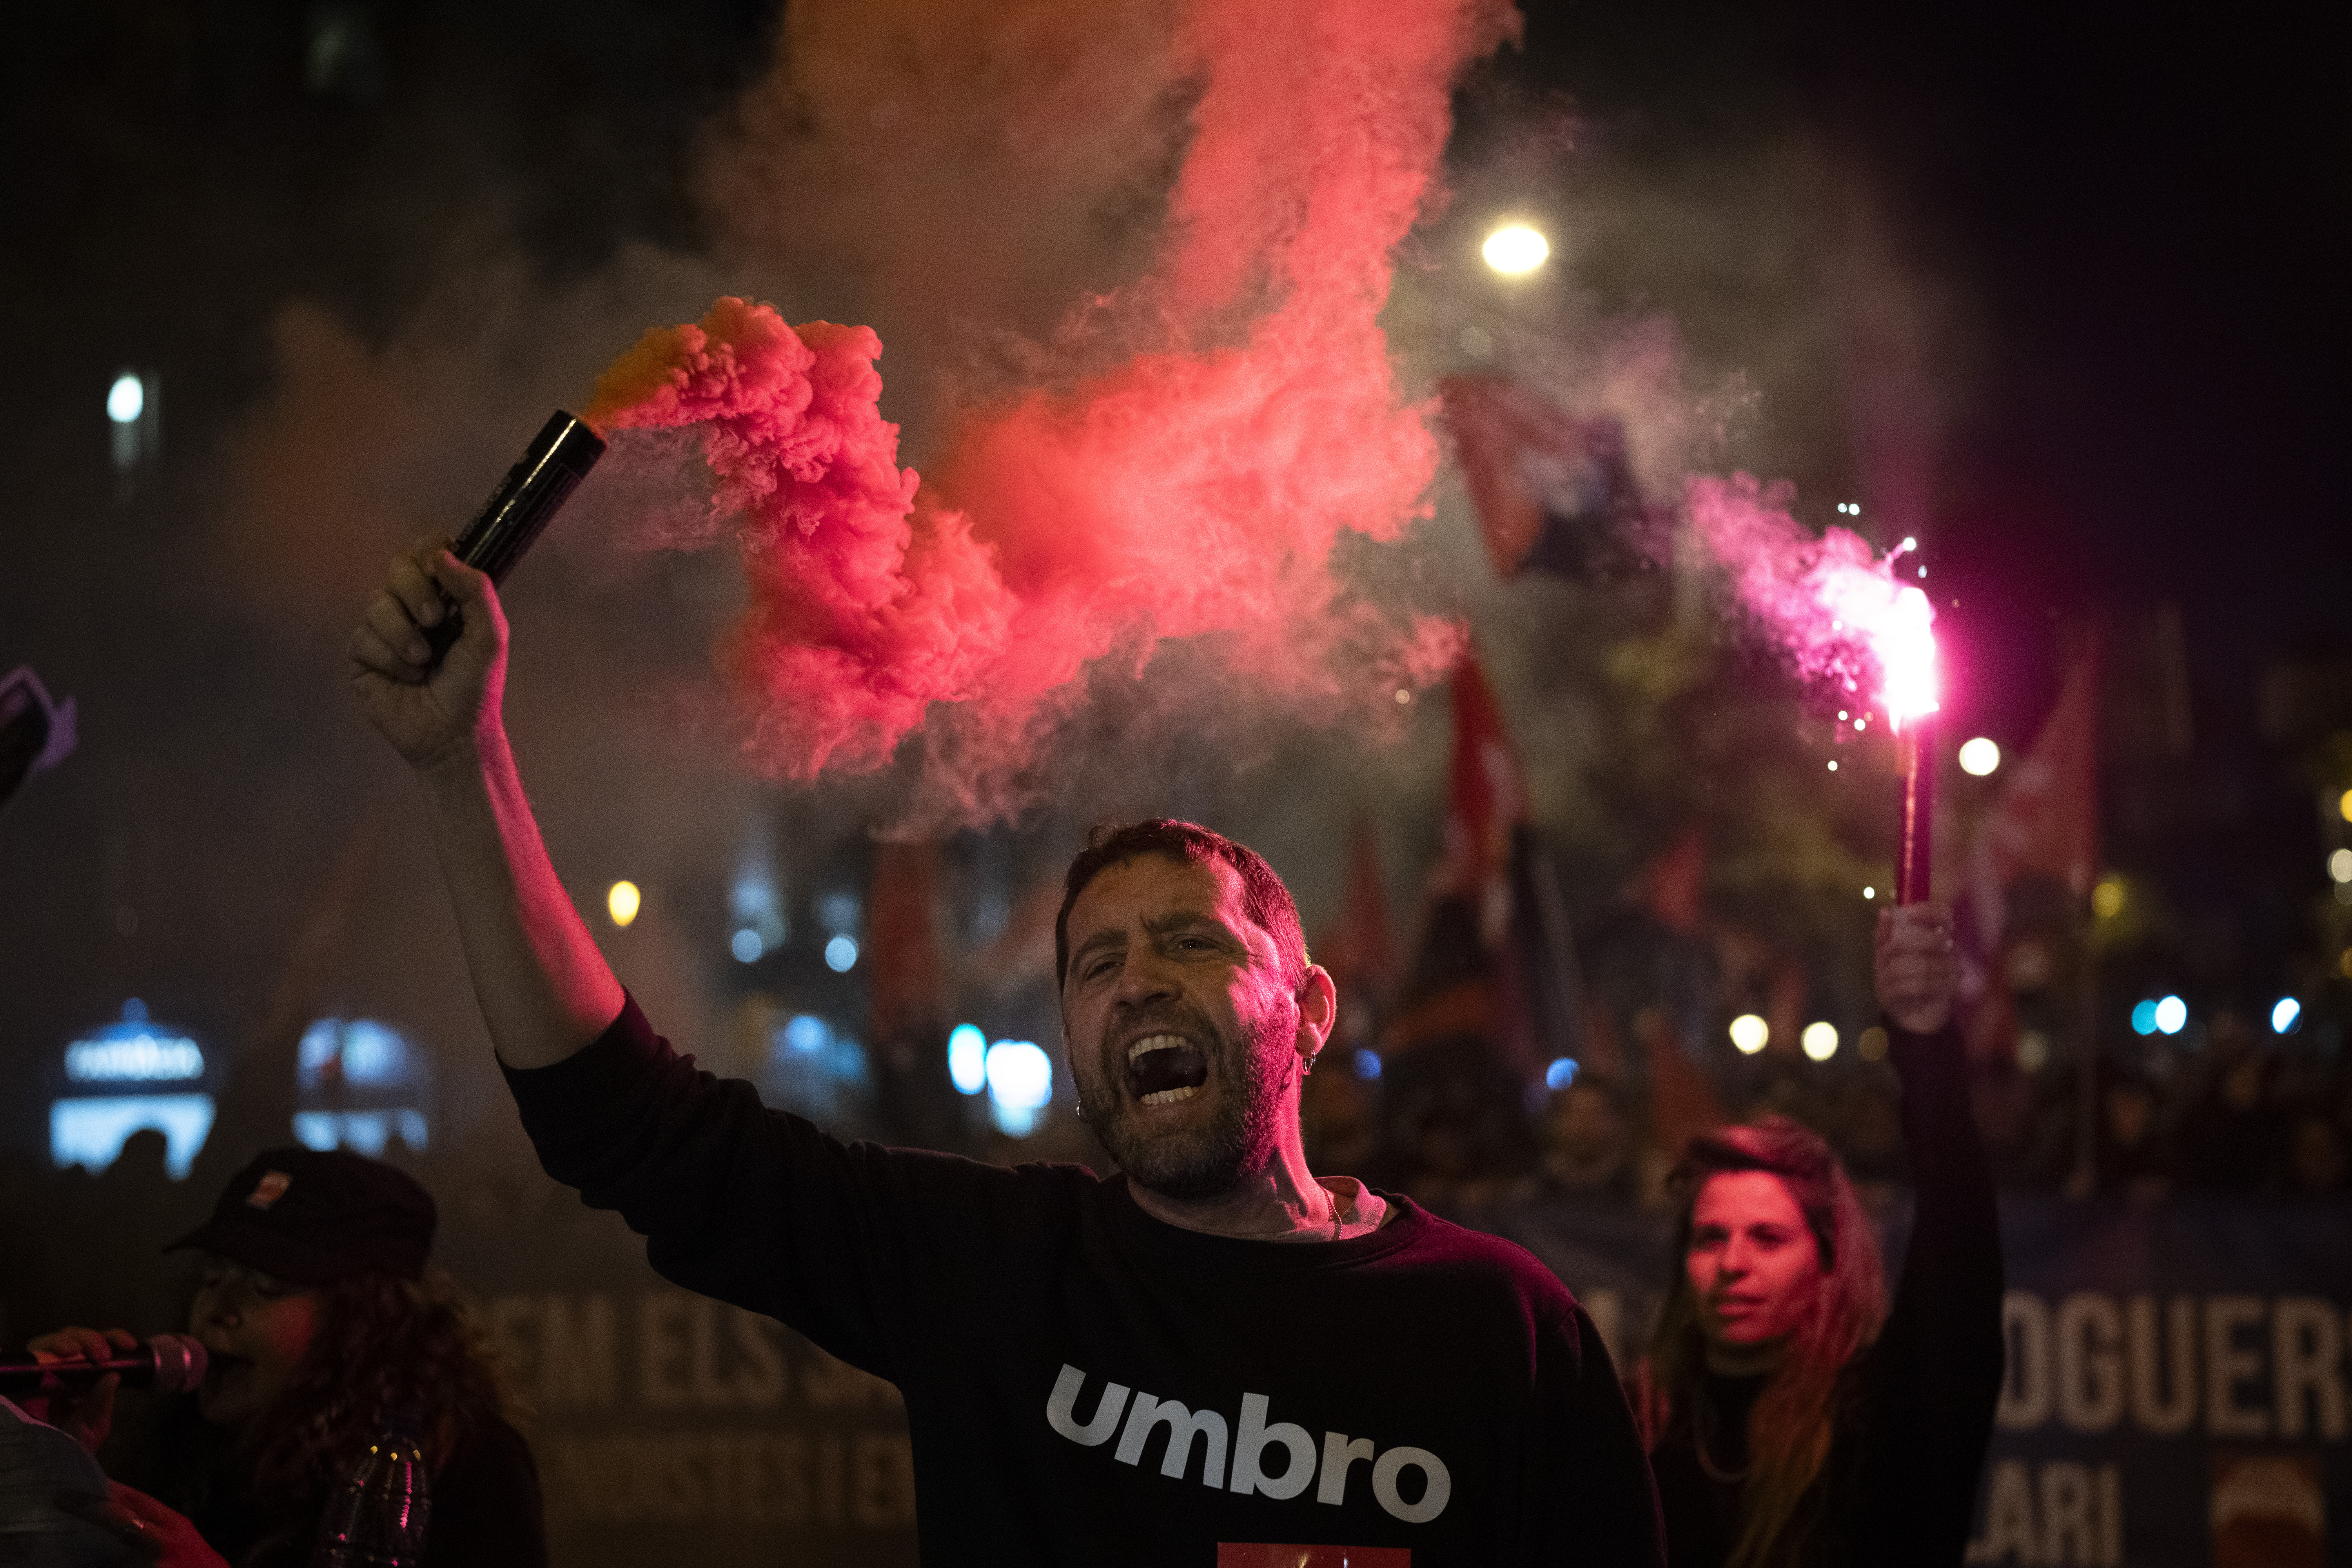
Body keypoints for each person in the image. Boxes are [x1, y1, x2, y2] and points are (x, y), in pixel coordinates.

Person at [348, 542, 1666, 1563]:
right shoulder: (992, 1268)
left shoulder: (1503, 1326)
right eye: (1096, 964)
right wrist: (462, 768)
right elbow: (622, 1124)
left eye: (1189, 945)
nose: (1137, 979)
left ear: (1309, 1008)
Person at [1632, 907, 2002, 1568]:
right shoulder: (1642, 1431)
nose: (1733, 1265)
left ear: (1829, 1259)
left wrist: (1925, 1046)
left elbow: (1961, 1250)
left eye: (1769, 1238)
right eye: (1711, 1238)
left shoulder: (1889, 1419)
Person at [26, 1147, 544, 1568]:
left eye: (266, 1287)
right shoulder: (175, 1444)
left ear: (365, 1323)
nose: (219, 1309)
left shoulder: (462, 1462)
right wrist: (49, 1455)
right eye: (211, 1278)